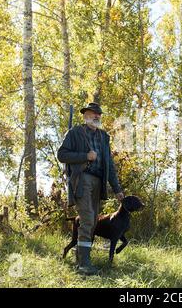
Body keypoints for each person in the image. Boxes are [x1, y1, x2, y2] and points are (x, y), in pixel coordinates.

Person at [57, 102, 124, 275]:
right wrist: (85, 156)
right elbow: (62, 155)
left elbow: (109, 164)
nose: (95, 116)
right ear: (85, 115)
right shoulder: (75, 133)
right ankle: (84, 264)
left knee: (93, 221)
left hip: (98, 182)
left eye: (98, 114)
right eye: (92, 113)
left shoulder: (103, 137)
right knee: (87, 219)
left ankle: (80, 259)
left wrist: (116, 188)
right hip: (82, 180)